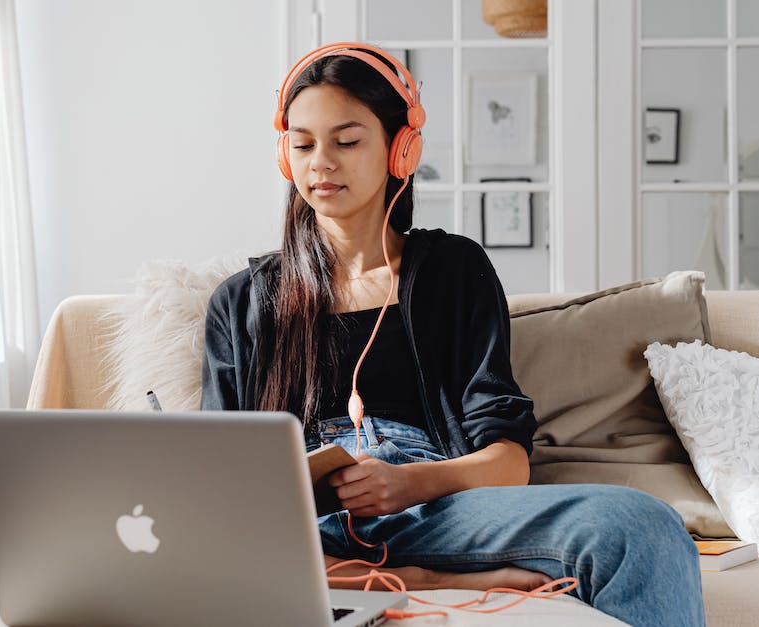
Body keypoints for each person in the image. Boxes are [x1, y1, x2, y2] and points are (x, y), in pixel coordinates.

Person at [200, 42, 704, 626]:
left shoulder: (452, 270)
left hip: (439, 507)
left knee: (641, 526)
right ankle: (410, 579)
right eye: (303, 143)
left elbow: (508, 461)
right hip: (300, 530)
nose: (321, 162)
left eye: (347, 140)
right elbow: (220, 492)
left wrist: (411, 483)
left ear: (400, 149)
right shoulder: (240, 302)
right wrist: (422, 579)